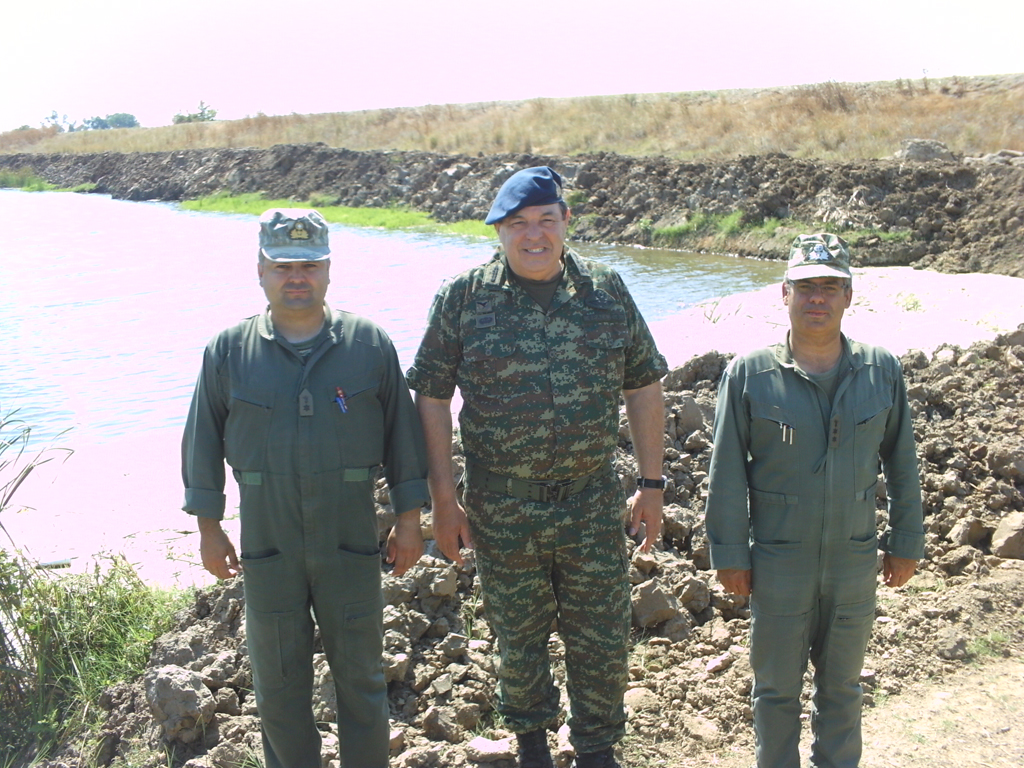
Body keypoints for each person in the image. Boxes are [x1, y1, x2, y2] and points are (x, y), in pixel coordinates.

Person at [407, 166, 668, 768]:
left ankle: (597, 749)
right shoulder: (464, 297)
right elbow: (431, 398)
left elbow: (644, 385)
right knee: (518, 639)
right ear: (499, 231)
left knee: (601, 637)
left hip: (591, 502)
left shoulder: (605, 291)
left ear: (566, 222)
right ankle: (531, 747)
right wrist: (444, 501)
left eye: (546, 220)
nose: (534, 235)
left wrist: (651, 484)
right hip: (503, 508)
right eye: (518, 224)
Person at [181, 208, 429, 768]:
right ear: (260, 270)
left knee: (363, 680)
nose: (297, 276)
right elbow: (201, 441)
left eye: (309, 265)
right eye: (283, 265)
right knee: (278, 687)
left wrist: (409, 520)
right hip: (269, 546)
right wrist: (209, 529)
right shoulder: (229, 350)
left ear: (329, 269)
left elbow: (402, 437)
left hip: (350, 541)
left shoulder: (368, 343)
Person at [705, 233, 925, 768]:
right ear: (784, 293)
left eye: (830, 286)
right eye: (806, 287)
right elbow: (726, 470)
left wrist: (906, 542)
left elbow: (902, 462)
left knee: (843, 689)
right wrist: (729, 555)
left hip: (853, 560)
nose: (817, 298)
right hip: (780, 562)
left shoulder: (880, 369)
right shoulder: (750, 374)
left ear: (849, 295)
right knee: (775, 691)